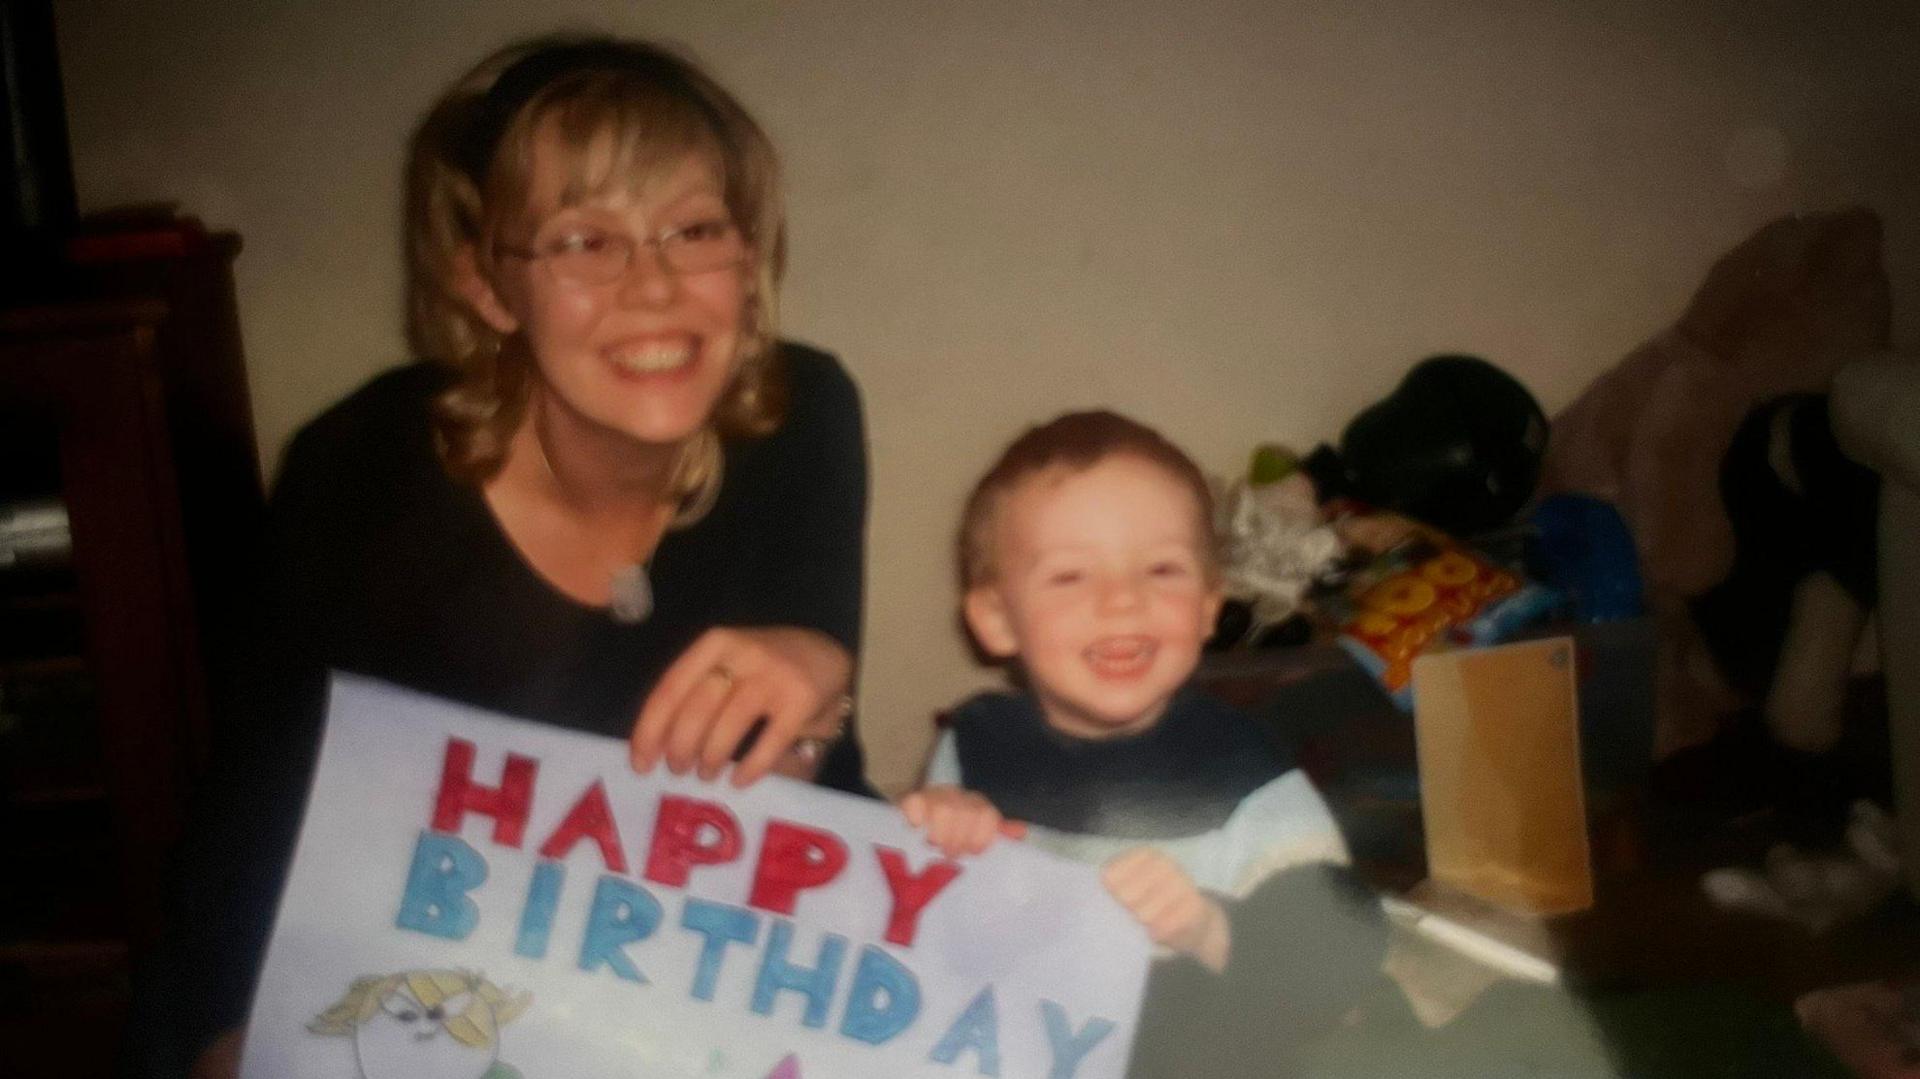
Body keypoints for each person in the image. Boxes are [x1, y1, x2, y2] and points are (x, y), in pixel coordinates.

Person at [123, 35, 871, 1078]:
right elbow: (254, 848)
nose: (653, 286)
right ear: (485, 284)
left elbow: (813, 800)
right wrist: (233, 1044)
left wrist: (820, 670)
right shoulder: (360, 475)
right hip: (441, 996)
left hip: (702, 975)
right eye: (583, 241)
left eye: (694, 229)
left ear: (749, 255)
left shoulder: (804, 417)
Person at [900, 410, 1390, 1078]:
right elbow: (919, 939)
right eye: (1071, 576)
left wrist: (1206, 928)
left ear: (1210, 604)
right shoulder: (975, 742)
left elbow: (1341, 956)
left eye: (1161, 569)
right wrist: (935, 834)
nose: (1122, 601)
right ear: (995, 618)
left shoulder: (1244, 770)